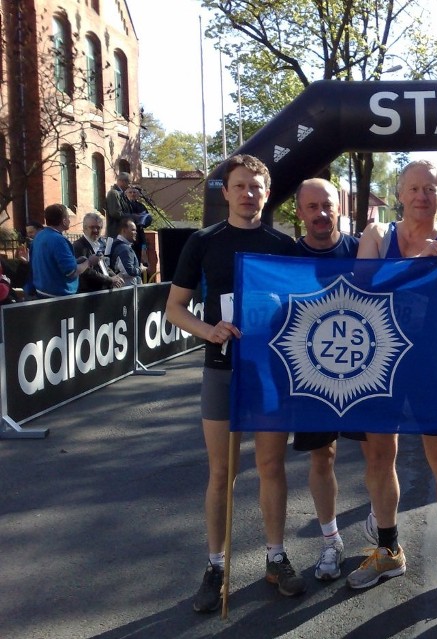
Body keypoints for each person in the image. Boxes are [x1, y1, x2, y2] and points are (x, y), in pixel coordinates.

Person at [165, 154, 302, 613]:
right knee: (222, 472)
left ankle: (276, 556)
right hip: (221, 368)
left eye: (256, 186)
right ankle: (216, 565)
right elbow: (175, 308)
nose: (248, 194)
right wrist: (210, 331)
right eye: (239, 186)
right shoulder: (203, 243)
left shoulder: (283, 245)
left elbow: (300, 306)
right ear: (225, 192)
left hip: (269, 371)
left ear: (267, 193)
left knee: (271, 467)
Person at [348, 160, 437, 616]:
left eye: (431, 188)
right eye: (414, 188)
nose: (422, 195)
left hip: (428, 362)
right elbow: (361, 290)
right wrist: (414, 265)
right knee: (378, 455)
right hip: (378, 361)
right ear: (400, 194)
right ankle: (388, 549)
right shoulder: (376, 236)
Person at [290, 178, 363, 582]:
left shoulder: (361, 251)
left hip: (364, 367)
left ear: (340, 206)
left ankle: (385, 538)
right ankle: (331, 541)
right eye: (312, 206)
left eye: (327, 205)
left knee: (379, 454)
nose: (321, 213)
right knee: (324, 456)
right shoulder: (287, 255)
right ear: (300, 212)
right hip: (312, 373)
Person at [31, 204, 101, 297]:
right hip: (58, 295)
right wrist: (89, 262)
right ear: (64, 221)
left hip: (41, 291)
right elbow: (71, 272)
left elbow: (50, 262)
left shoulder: (39, 236)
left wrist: (76, 261)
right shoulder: (59, 240)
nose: (69, 220)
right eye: (68, 217)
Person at [72, 212, 124, 292]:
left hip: (102, 292)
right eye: (92, 227)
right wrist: (110, 280)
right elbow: (86, 272)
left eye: (99, 228)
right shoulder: (78, 246)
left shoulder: (100, 244)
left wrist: (115, 277)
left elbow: (103, 266)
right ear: (84, 228)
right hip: (88, 293)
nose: (96, 230)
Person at [109, 216, 147, 285]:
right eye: (133, 230)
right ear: (124, 230)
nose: (136, 232)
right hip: (127, 290)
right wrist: (141, 269)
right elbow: (129, 271)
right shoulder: (124, 248)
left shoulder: (116, 244)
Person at [125, 185, 151, 264]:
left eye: (134, 192)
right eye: (130, 192)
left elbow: (148, 218)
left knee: (140, 259)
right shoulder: (124, 206)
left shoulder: (141, 206)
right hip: (127, 236)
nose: (132, 194)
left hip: (139, 235)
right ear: (126, 194)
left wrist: (143, 222)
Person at [105, 172, 132, 238]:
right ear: (121, 181)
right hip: (115, 233)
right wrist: (132, 217)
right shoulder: (113, 193)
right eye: (129, 183)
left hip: (122, 233)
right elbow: (115, 213)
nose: (129, 186)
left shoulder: (122, 194)